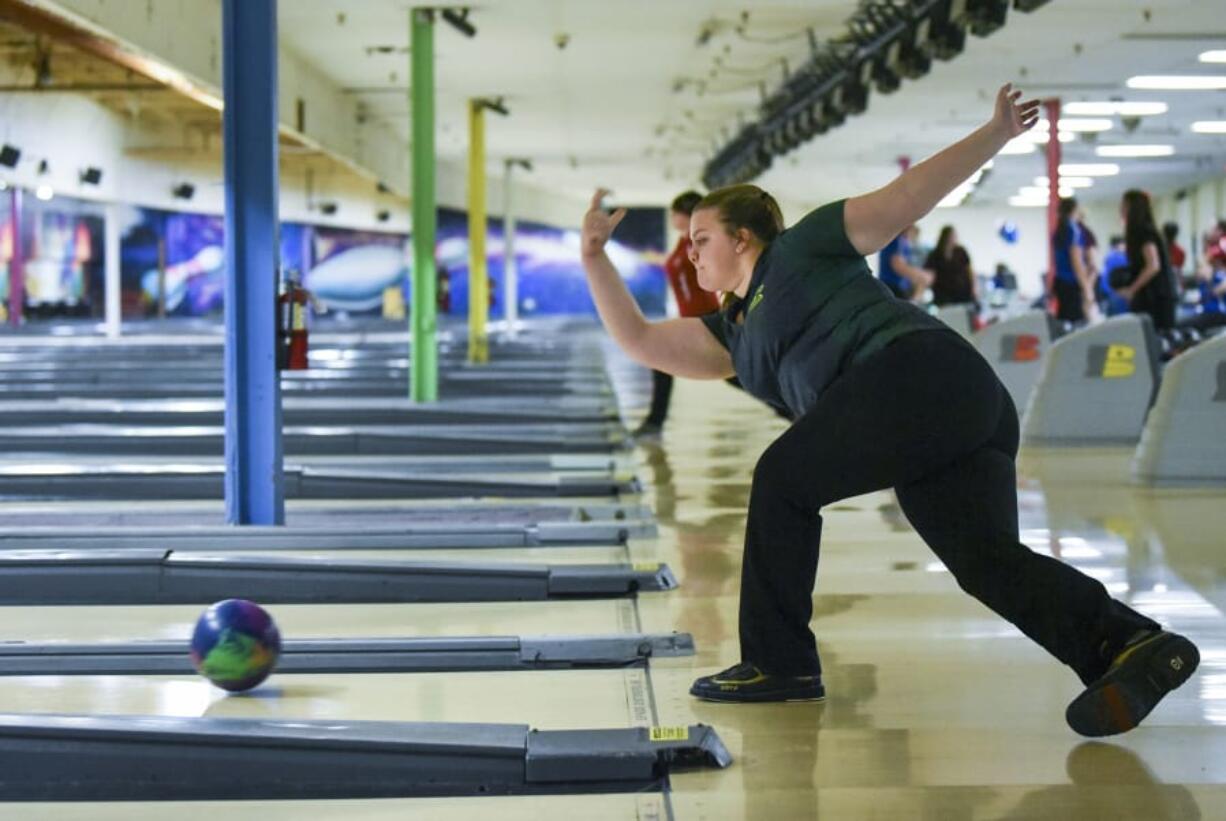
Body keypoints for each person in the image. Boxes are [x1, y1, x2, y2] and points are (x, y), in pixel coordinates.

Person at [579, 84, 1198, 737]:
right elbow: (642, 340)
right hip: (955, 412)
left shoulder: (807, 247)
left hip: (921, 375)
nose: (692, 252)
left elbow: (908, 198)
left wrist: (995, 135)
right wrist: (593, 257)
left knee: (783, 478)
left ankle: (778, 664)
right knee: (985, 562)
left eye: (702, 238)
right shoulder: (734, 333)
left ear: (743, 237)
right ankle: (1130, 645)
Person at [633, 191, 721, 438]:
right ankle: (654, 423)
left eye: (675, 213)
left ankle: (792, 412)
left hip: (706, 317)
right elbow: (677, 266)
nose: (672, 218)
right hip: (694, 319)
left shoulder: (698, 241)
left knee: (740, 375)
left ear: (687, 214)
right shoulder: (684, 241)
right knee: (659, 357)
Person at [1115, 190, 1177, 332]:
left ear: (1134, 208)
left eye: (1124, 206)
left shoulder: (1143, 232)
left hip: (1157, 298)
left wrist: (1132, 290)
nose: (1121, 210)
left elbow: (1153, 265)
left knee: (1155, 340)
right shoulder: (1143, 232)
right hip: (1152, 296)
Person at [1051, 198, 1092, 323]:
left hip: (1061, 283)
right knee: (1077, 323)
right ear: (1074, 210)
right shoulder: (1073, 230)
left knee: (1064, 321)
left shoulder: (1058, 231)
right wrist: (1087, 288)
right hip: (1072, 285)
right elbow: (1077, 262)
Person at [877, 224, 933, 302]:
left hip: (902, 287)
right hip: (892, 287)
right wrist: (921, 276)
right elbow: (897, 265)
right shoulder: (895, 240)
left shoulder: (904, 241)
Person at [924, 225, 977, 306]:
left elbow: (970, 270)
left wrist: (974, 288)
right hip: (942, 293)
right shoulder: (935, 254)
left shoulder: (961, 251)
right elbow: (930, 273)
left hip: (962, 292)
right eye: (952, 236)